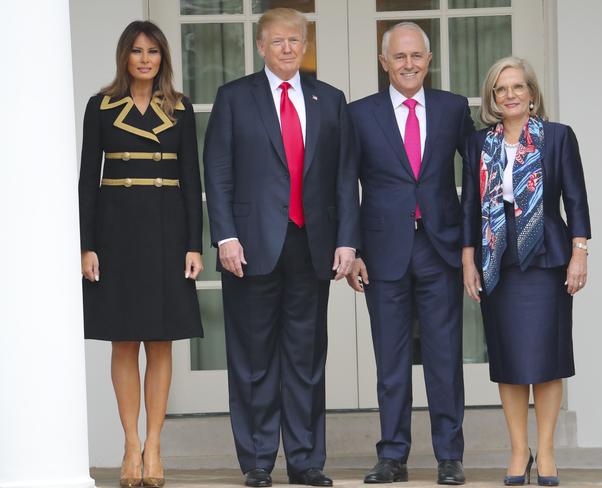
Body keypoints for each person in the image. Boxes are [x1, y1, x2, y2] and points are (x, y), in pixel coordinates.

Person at [203, 8, 359, 488]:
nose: (288, 48)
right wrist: (225, 236)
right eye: (278, 41)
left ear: (305, 44)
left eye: (295, 40)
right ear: (260, 46)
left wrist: (347, 241)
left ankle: (307, 461)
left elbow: (344, 177)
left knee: (306, 359)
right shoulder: (234, 98)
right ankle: (256, 461)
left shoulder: (330, 100)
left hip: (311, 244)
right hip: (249, 249)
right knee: (253, 359)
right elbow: (219, 170)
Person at [346, 22, 474, 486]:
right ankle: (393, 455)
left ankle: (448, 456)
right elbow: (346, 185)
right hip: (382, 253)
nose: (408, 64)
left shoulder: (453, 108)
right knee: (391, 358)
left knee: (444, 356)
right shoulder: (360, 114)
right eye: (399, 57)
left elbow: (477, 178)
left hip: (440, 248)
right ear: (384, 62)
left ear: (429, 58)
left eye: (416, 55)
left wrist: (470, 244)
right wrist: (352, 248)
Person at [78, 21, 204, 488]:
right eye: (137, 51)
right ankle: (129, 445)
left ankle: (154, 447)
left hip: (169, 231)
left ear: (163, 57)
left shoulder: (181, 108)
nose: (145, 58)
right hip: (117, 233)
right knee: (124, 339)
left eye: (153, 51)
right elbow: (87, 178)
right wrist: (86, 244)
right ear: (124, 57)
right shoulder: (101, 106)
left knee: (161, 339)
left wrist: (195, 243)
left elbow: (192, 179)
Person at [461, 56, 590, 486]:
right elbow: (469, 207)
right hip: (498, 260)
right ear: (492, 98)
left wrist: (579, 252)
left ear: (532, 94)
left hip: (548, 259)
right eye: (501, 89)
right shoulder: (479, 144)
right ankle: (519, 451)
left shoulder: (557, 137)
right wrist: (468, 258)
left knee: (547, 360)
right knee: (511, 359)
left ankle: (547, 451)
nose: (510, 95)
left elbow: (575, 198)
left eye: (518, 87)